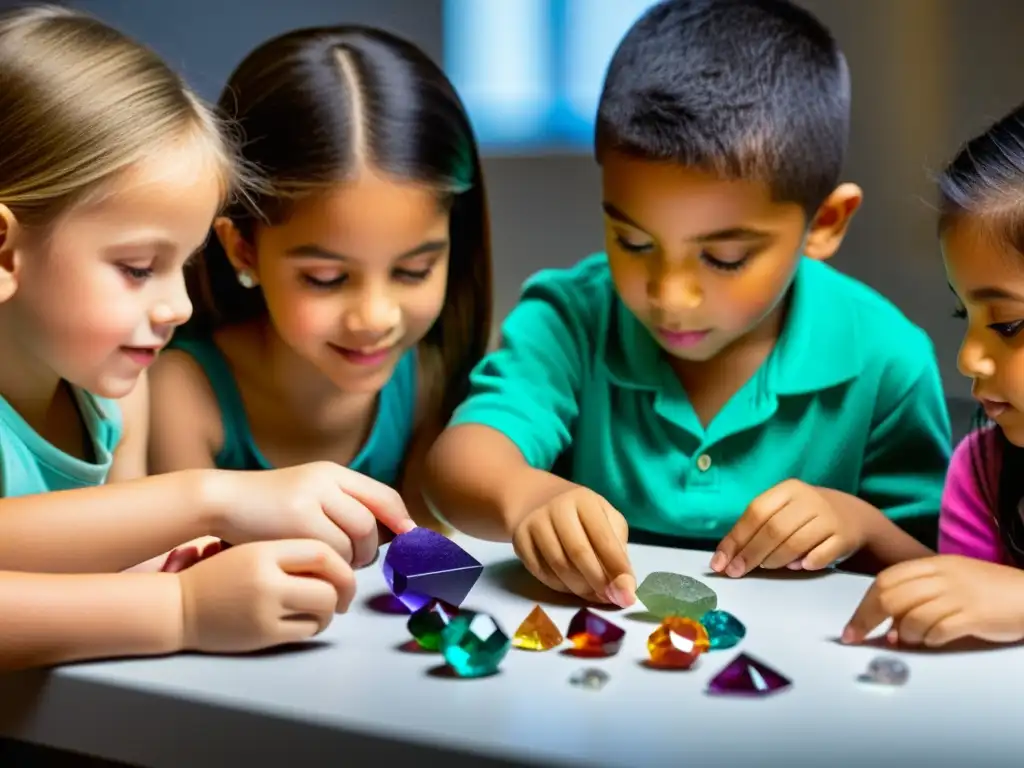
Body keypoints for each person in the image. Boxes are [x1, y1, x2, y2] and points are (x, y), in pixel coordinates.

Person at [424, 0, 951, 607]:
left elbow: (939, 564)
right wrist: (524, 495)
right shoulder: (570, 317)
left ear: (825, 224)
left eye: (724, 258)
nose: (670, 295)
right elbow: (456, 468)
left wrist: (857, 522)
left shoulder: (887, 359)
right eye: (633, 241)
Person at [0, 5, 411, 662]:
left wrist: (192, 567)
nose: (180, 306)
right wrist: (181, 604)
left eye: (182, 265)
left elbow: (105, 567)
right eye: (139, 268)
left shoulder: (112, 395)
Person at [147, 25, 491, 534]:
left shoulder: (426, 384)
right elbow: (190, 576)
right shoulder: (182, 394)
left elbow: (429, 576)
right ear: (242, 248)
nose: (376, 317)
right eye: (327, 278)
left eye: (413, 271)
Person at [844, 102, 1024, 649]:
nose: (967, 357)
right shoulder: (984, 473)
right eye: (962, 316)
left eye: (1009, 323)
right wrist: (869, 531)